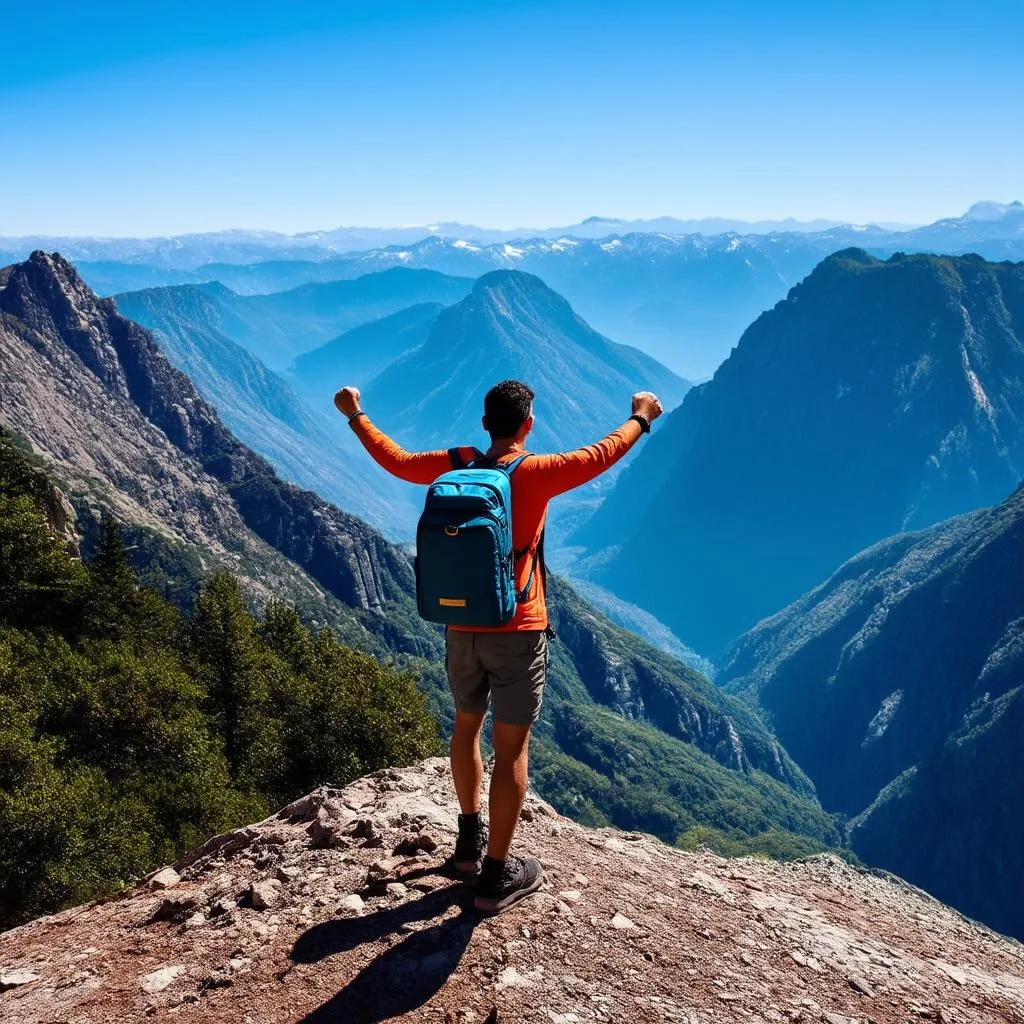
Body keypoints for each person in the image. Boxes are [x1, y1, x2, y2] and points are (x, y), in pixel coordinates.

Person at [334, 380, 663, 914]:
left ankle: (466, 846)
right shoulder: (534, 473)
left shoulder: (458, 464)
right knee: (511, 749)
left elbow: (395, 460)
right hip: (518, 628)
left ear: (485, 423)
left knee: (466, 727)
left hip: (460, 625)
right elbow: (602, 453)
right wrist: (641, 417)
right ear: (527, 423)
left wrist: (356, 416)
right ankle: (495, 874)